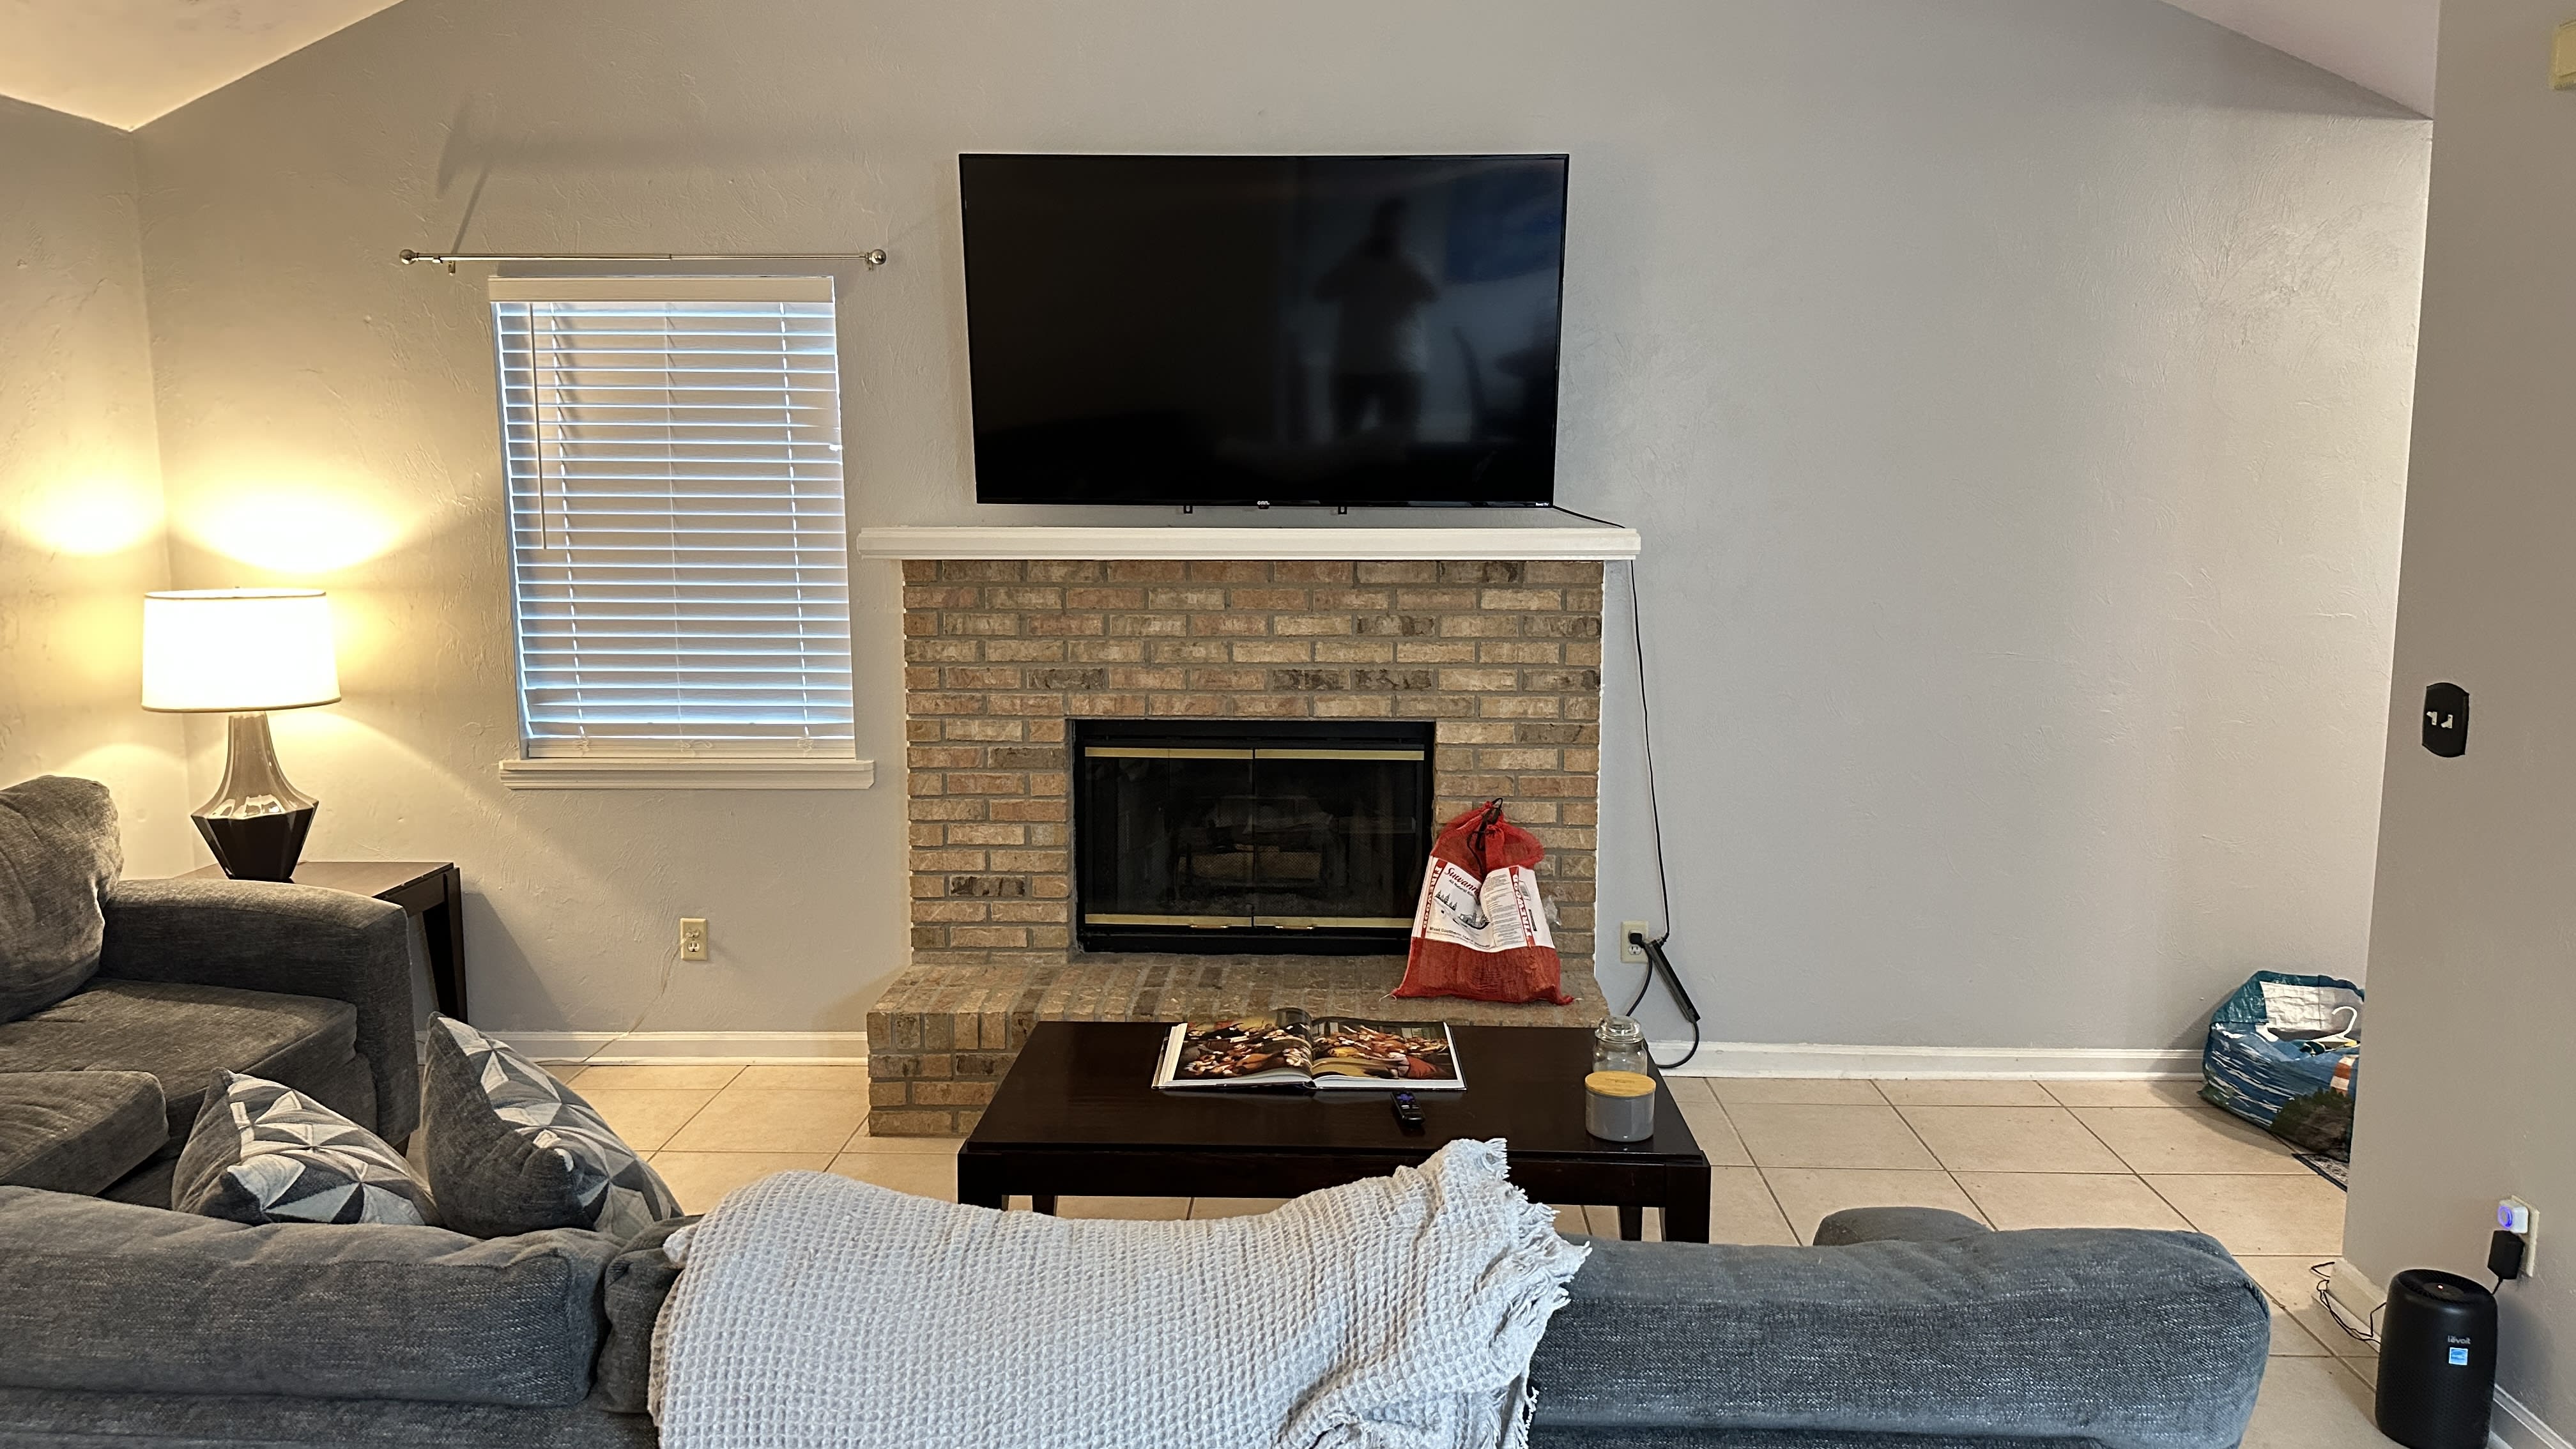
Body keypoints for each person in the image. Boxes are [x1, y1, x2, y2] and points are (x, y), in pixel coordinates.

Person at [1316, 198, 1439, 440]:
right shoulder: (1354, 261)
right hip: (1355, 364)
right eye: (1385, 223)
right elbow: (1321, 293)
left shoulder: (1411, 263)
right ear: (1375, 225)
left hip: (1400, 365)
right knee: (1345, 440)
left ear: (1404, 229)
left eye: (1397, 225)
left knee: (1400, 444)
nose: (1390, 230)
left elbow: (1432, 294)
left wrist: (1400, 258)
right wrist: (1353, 260)